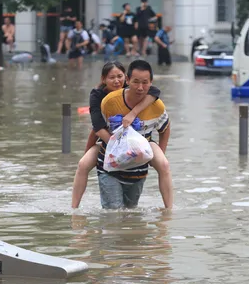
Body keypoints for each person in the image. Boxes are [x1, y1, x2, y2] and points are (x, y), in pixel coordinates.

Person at [71, 61, 173, 209]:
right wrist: (118, 146)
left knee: (163, 164)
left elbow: (155, 93)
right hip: (109, 141)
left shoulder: (146, 95)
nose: (116, 81)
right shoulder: (101, 98)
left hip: (142, 141)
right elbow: (97, 128)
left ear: (125, 78)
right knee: (83, 164)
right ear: (103, 79)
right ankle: (74, 209)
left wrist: (133, 113)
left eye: (119, 77)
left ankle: (169, 210)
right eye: (112, 77)